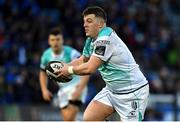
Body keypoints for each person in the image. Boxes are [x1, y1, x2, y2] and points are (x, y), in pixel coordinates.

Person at [56, 6, 149, 121]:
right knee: (90, 118)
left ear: (100, 24)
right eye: (84, 22)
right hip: (111, 91)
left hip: (132, 92)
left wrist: (69, 71)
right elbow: (82, 60)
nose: (85, 25)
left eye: (89, 21)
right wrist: (64, 66)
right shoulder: (91, 39)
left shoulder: (105, 39)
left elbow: (90, 68)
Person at [39, 27, 89, 121]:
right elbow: (42, 73)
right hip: (63, 89)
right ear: (49, 42)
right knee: (67, 120)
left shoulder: (71, 53)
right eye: (52, 40)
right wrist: (44, 90)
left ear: (62, 40)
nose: (55, 42)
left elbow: (86, 68)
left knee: (70, 118)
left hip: (76, 85)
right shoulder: (46, 55)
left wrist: (80, 89)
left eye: (58, 39)